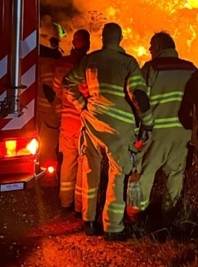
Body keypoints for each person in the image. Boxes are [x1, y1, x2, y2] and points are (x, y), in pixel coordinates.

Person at [64, 22, 154, 241]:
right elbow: (139, 97)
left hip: (93, 123)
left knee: (90, 173)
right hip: (119, 130)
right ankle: (112, 227)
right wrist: (148, 123)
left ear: (103, 38)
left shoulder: (89, 60)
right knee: (117, 176)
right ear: (120, 38)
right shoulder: (128, 63)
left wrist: (82, 105)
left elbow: (68, 83)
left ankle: (89, 221)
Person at [126, 32, 198, 226]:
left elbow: (138, 97)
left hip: (153, 133)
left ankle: (134, 217)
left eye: (151, 46)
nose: (149, 50)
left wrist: (136, 126)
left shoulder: (150, 68)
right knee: (175, 175)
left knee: (140, 174)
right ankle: (170, 218)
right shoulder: (191, 69)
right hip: (181, 135)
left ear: (159, 47)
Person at [52, 29, 91, 216]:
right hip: (84, 119)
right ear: (88, 44)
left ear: (74, 43)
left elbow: (57, 90)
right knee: (84, 163)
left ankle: (64, 202)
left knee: (68, 161)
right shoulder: (89, 65)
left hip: (67, 119)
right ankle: (79, 206)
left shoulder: (61, 64)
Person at [37, 17, 64, 187]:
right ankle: (47, 182)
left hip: (39, 110)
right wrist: (58, 107)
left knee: (41, 146)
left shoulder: (37, 58)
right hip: (49, 112)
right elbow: (49, 88)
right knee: (48, 148)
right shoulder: (50, 62)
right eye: (55, 40)